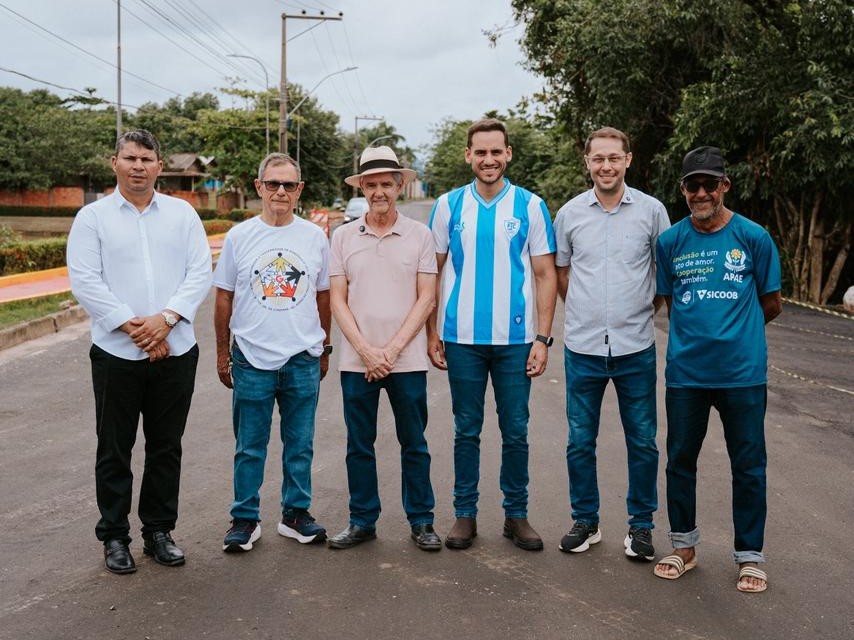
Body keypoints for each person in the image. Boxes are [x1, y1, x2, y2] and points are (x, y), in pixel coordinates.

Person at [67, 129, 212, 574]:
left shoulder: (183, 214)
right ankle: (114, 536)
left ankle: (158, 531)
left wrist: (165, 320)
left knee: (166, 446)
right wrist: (135, 328)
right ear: (115, 163)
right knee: (114, 447)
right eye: (130, 157)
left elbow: (200, 271)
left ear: (159, 165)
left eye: (147, 158)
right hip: (116, 353)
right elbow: (87, 280)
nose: (138, 166)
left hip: (176, 349)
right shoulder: (92, 219)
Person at [653, 146, 781, 593]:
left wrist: (735, 335)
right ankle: (683, 547)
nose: (701, 192)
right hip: (686, 374)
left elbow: (771, 303)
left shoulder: (754, 237)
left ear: (725, 186)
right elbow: (670, 304)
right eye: (693, 185)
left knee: (748, 465)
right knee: (679, 461)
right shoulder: (669, 242)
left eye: (710, 184)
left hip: (743, 374)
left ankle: (750, 555)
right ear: (683, 190)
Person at [427, 118, 557, 551]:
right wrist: (433, 332)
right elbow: (434, 271)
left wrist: (542, 338)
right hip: (461, 337)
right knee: (466, 430)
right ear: (468, 155)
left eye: (496, 152)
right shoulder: (447, 206)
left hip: (516, 341)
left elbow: (543, 274)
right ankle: (465, 514)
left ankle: (516, 515)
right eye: (480, 152)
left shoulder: (530, 206)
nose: (488, 159)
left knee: (516, 430)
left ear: (508, 154)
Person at [552, 127, 671, 560]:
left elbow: (663, 276)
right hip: (582, 348)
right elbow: (562, 273)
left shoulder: (652, 212)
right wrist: (585, 311)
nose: (606, 166)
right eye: (598, 158)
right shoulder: (569, 214)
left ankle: (641, 527)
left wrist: (640, 309)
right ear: (587, 162)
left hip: (635, 346)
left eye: (613, 158)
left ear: (628, 160)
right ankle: (586, 520)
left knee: (642, 440)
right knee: (580, 440)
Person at [213, 153, 331, 553]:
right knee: (249, 445)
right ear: (259, 187)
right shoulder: (239, 237)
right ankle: (244, 518)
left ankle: (296, 514)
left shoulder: (315, 237)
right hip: (251, 356)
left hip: (302, 355)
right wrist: (221, 354)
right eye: (273, 183)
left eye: (290, 185)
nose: (281, 191)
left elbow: (324, 295)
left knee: (301, 443)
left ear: (300, 190)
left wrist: (324, 347)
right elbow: (224, 297)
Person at [326, 146, 441, 551]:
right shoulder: (342, 236)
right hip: (357, 360)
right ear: (361, 188)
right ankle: (362, 520)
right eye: (371, 184)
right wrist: (367, 351)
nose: (379, 192)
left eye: (386, 184)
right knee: (359, 444)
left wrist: (389, 352)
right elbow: (338, 300)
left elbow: (426, 297)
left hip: (406, 360)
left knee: (414, 442)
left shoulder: (420, 235)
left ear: (399, 187)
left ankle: (422, 521)